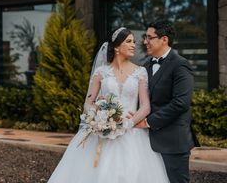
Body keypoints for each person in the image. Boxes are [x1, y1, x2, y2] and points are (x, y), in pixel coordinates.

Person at [48, 27, 169, 183]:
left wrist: (128, 123)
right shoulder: (101, 72)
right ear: (117, 47)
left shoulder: (140, 72)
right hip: (101, 132)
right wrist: (97, 119)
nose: (134, 45)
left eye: (134, 41)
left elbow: (146, 106)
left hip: (131, 133)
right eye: (129, 41)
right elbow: (88, 102)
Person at [135, 21, 199, 183]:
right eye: (145, 37)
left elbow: (181, 103)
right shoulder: (146, 65)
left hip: (173, 142)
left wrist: (149, 121)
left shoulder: (180, 65)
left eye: (149, 37)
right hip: (146, 141)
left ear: (164, 39)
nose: (145, 41)